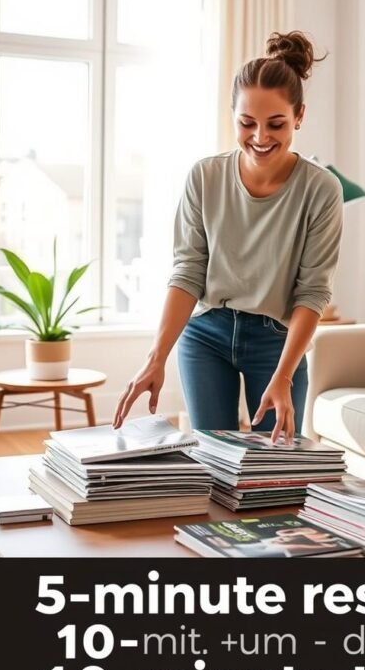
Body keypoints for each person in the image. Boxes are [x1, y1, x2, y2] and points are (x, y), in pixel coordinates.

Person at [113, 30, 343, 442]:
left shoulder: (321, 189)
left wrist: (285, 375)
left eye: (276, 124)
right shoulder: (205, 177)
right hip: (206, 335)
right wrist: (156, 357)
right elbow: (187, 273)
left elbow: (313, 291)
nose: (260, 137)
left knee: (275, 471)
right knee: (212, 464)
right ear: (232, 115)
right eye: (247, 123)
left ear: (300, 116)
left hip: (277, 343)